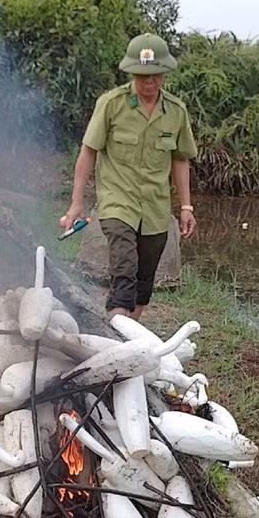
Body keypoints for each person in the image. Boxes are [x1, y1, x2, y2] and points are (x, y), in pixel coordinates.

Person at [61, 32, 198, 321]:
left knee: (143, 284)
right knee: (124, 270)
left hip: (156, 209)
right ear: (131, 73)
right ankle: (115, 331)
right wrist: (76, 203)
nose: (150, 82)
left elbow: (181, 159)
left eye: (156, 76)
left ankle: (124, 343)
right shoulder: (111, 104)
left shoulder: (176, 111)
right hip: (117, 203)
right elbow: (88, 152)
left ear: (164, 73)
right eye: (143, 76)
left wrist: (186, 207)